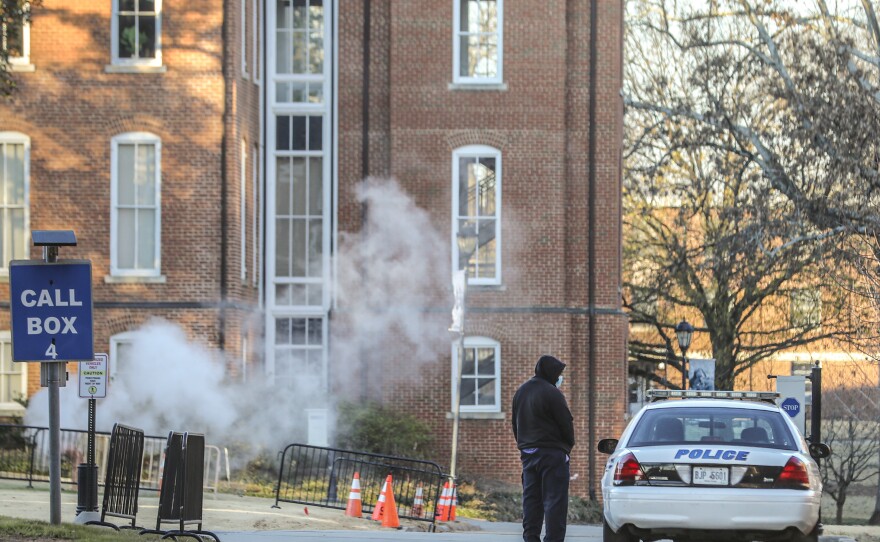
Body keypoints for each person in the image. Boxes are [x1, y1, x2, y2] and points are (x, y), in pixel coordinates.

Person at [511, 354, 575, 542]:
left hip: (528, 454)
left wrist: (523, 445)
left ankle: (531, 537)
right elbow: (566, 423)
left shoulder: (521, 392)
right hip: (552, 455)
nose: (559, 378)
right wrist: (567, 447)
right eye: (558, 374)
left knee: (531, 500)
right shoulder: (552, 393)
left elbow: (515, 424)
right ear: (551, 373)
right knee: (555, 502)